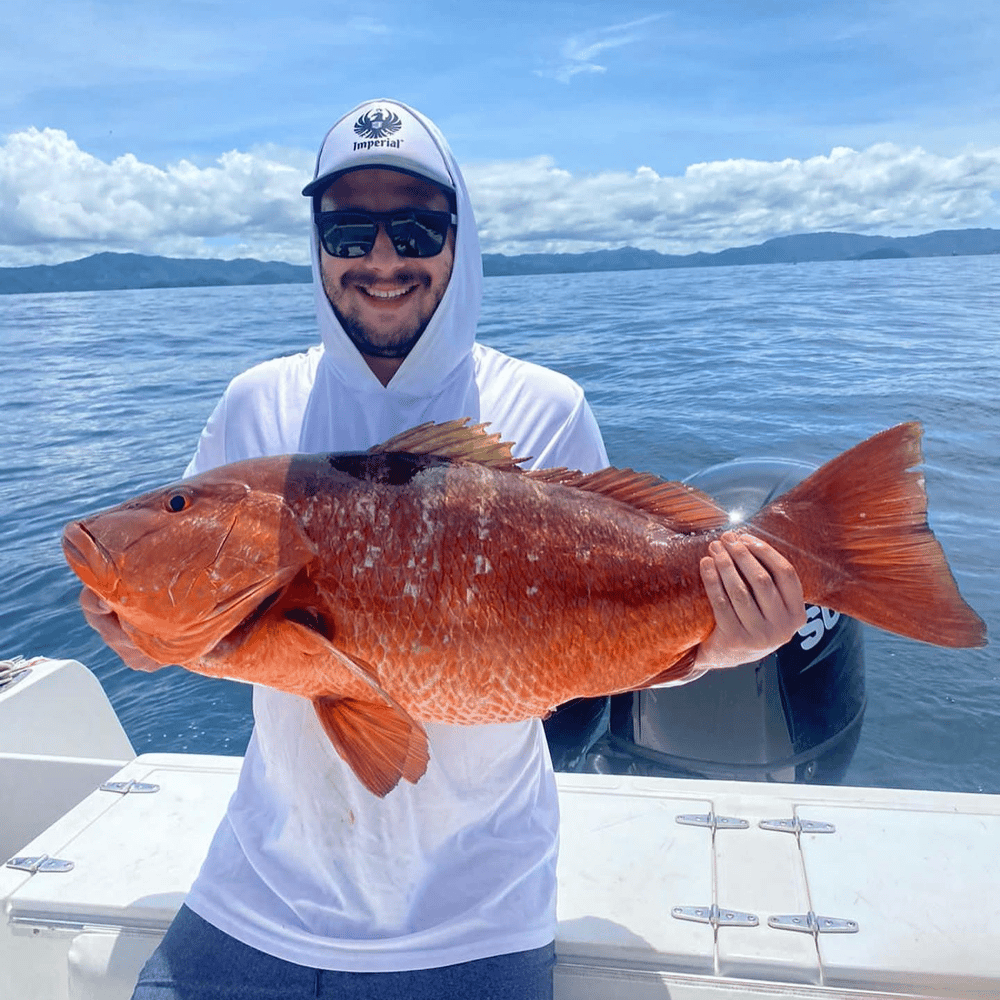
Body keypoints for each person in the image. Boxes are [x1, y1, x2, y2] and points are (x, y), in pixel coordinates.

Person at [130, 98, 805, 999]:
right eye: (349, 230)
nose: (381, 260)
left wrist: (726, 642)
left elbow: (601, 632)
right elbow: (191, 606)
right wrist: (136, 624)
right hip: (254, 893)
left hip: (478, 913)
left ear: (460, 237)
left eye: (415, 228)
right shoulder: (257, 405)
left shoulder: (545, 407)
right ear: (317, 240)